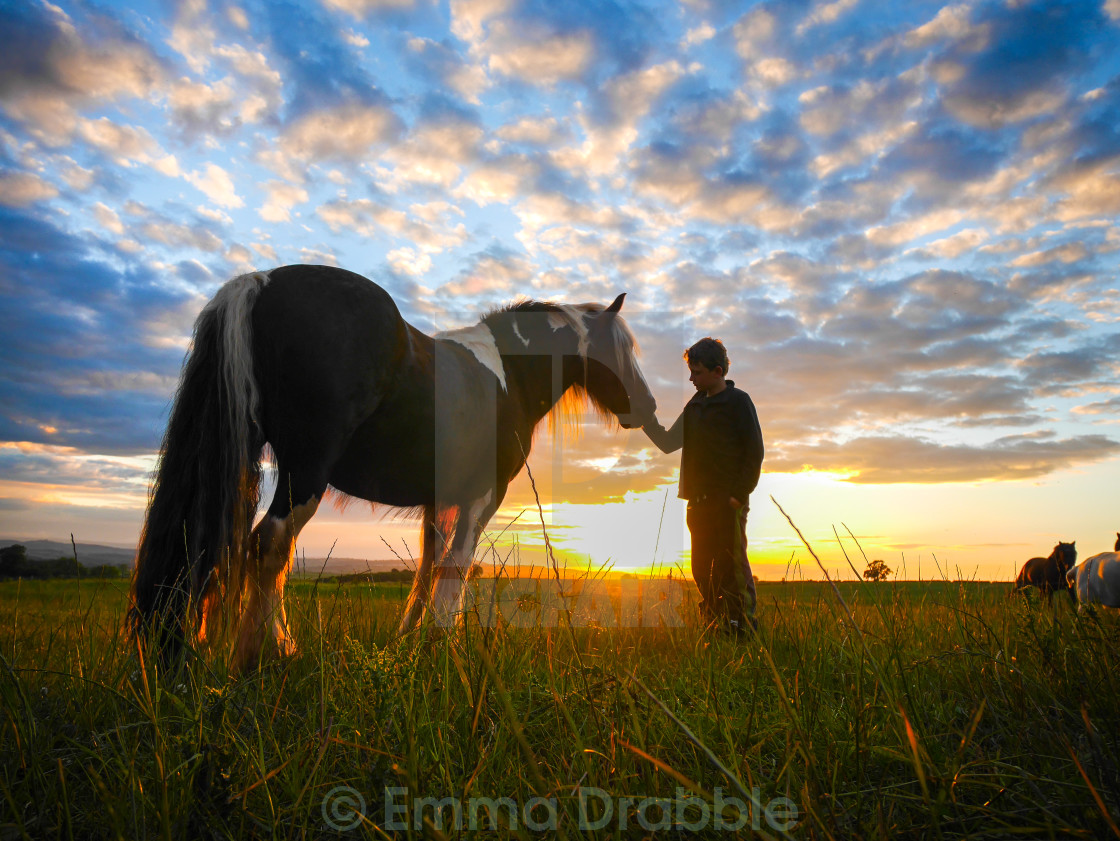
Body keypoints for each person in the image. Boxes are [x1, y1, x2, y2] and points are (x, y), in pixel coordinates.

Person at [643, 337, 764, 634]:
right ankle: (714, 621)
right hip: (697, 503)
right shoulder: (695, 405)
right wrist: (643, 420)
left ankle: (743, 626)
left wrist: (738, 494)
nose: (691, 378)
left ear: (718, 371)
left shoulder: (738, 402)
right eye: (690, 371)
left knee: (732, 567)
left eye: (696, 372)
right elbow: (669, 442)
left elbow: (754, 451)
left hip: (729, 501)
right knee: (702, 569)